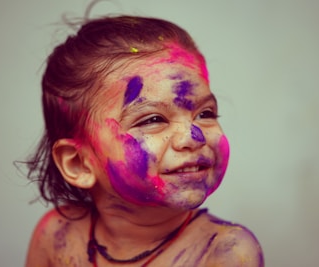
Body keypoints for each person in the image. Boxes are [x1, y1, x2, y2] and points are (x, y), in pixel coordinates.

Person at [24, 14, 264, 267]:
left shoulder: (226, 253)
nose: (193, 137)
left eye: (205, 114)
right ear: (79, 164)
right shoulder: (56, 235)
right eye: (153, 120)